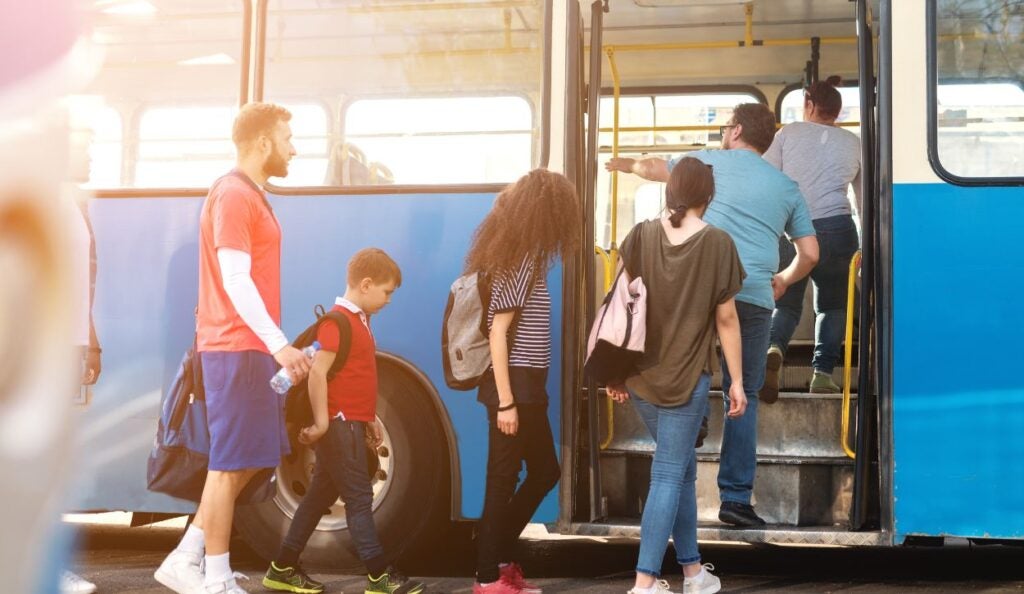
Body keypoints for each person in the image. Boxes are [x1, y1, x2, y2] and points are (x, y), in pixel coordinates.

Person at [605, 103, 819, 528]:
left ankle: (695, 425)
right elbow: (811, 253)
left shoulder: (705, 163)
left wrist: (624, 162)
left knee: (691, 373)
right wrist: (783, 279)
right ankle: (736, 500)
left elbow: (652, 168)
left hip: (697, 291)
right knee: (747, 393)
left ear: (736, 131)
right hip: (755, 295)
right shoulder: (786, 186)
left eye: (726, 127)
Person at [155, 102, 313, 594]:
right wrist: (280, 344)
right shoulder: (232, 195)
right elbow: (236, 278)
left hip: (247, 349)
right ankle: (215, 575)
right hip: (234, 347)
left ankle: (186, 557)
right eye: (287, 138)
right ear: (263, 142)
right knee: (228, 465)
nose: (294, 147)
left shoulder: (251, 195)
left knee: (250, 459)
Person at [607, 158, 746, 594]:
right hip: (687, 382)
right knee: (669, 472)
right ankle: (644, 582)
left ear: (670, 192)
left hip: (642, 380)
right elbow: (726, 320)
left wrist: (616, 372)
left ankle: (692, 572)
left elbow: (620, 308)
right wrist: (737, 381)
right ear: (709, 196)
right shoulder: (719, 244)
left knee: (682, 469)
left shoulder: (641, 236)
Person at [262, 248, 424, 594]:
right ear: (366, 285)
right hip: (337, 425)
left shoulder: (359, 321)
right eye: (387, 291)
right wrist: (321, 423)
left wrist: (368, 421)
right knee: (359, 497)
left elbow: (355, 378)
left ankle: (282, 567)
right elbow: (318, 375)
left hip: (350, 422)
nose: (389, 299)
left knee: (319, 497)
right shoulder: (337, 323)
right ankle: (379, 576)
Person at [467, 169, 581, 594]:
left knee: (543, 471)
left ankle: (494, 554)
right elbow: (498, 332)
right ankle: (486, 576)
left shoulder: (527, 255)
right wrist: (507, 402)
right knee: (502, 477)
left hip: (528, 385)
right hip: (513, 386)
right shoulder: (519, 260)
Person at [760, 76, 862, 400]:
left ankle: (774, 348)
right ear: (837, 111)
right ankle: (822, 374)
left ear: (809, 105)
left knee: (786, 302)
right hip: (838, 229)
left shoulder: (788, 133)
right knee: (832, 306)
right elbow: (863, 198)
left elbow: (766, 179)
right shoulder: (854, 142)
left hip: (792, 228)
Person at [61, 133, 102, 594]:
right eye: (82, 141)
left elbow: (83, 275)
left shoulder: (74, 201)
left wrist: (90, 340)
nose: (89, 152)